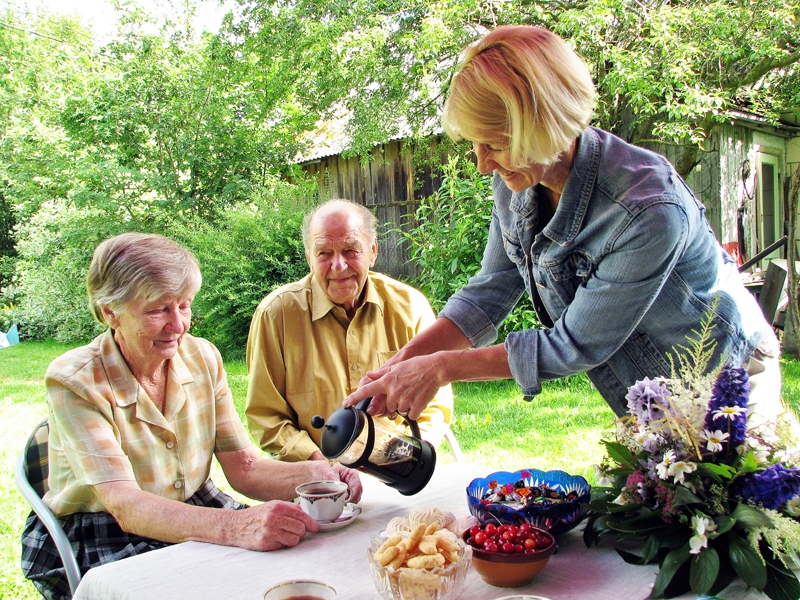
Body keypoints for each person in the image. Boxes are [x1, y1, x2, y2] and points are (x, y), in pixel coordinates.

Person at [343, 25, 797, 445]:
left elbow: (574, 345)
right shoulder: (516, 179)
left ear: (544, 125)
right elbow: (489, 292)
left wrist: (441, 369)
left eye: (495, 144)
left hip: (727, 384)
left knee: (733, 505)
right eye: (475, 144)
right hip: (652, 399)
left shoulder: (647, 210)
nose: (482, 165)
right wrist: (400, 366)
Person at [21, 233, 362, 600]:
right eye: (157, 310)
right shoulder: (75, 380)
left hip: (197, 507)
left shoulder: (203, 357)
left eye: (184, 306)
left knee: (296, 572)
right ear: (110, 312)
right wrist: (236, 527)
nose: (178, 325)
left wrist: (317, 473)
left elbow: (244, 469)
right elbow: (126, 505)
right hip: (106, 530)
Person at [245, 199, 454, 462]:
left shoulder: (410, 307)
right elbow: (267, 417)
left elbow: (434, 404)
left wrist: (406, 459)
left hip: (394, 466)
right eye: (324, 253)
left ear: (373, 251)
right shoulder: (276, 315)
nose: (338, 265)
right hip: (312, 474)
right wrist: (321, 466)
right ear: (309, 259)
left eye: (350, 250)